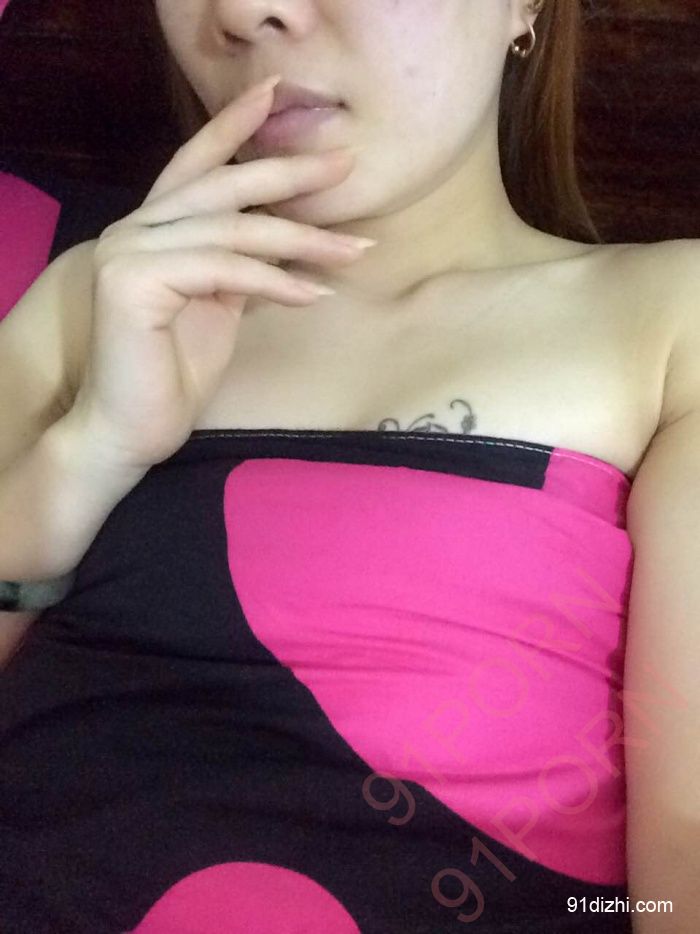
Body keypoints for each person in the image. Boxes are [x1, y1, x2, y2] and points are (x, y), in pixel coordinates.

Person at [0, 1, 698, 931]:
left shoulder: (669, 323)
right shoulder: (92, 300)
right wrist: (89, 453)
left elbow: (684, 855)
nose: (244, 11)